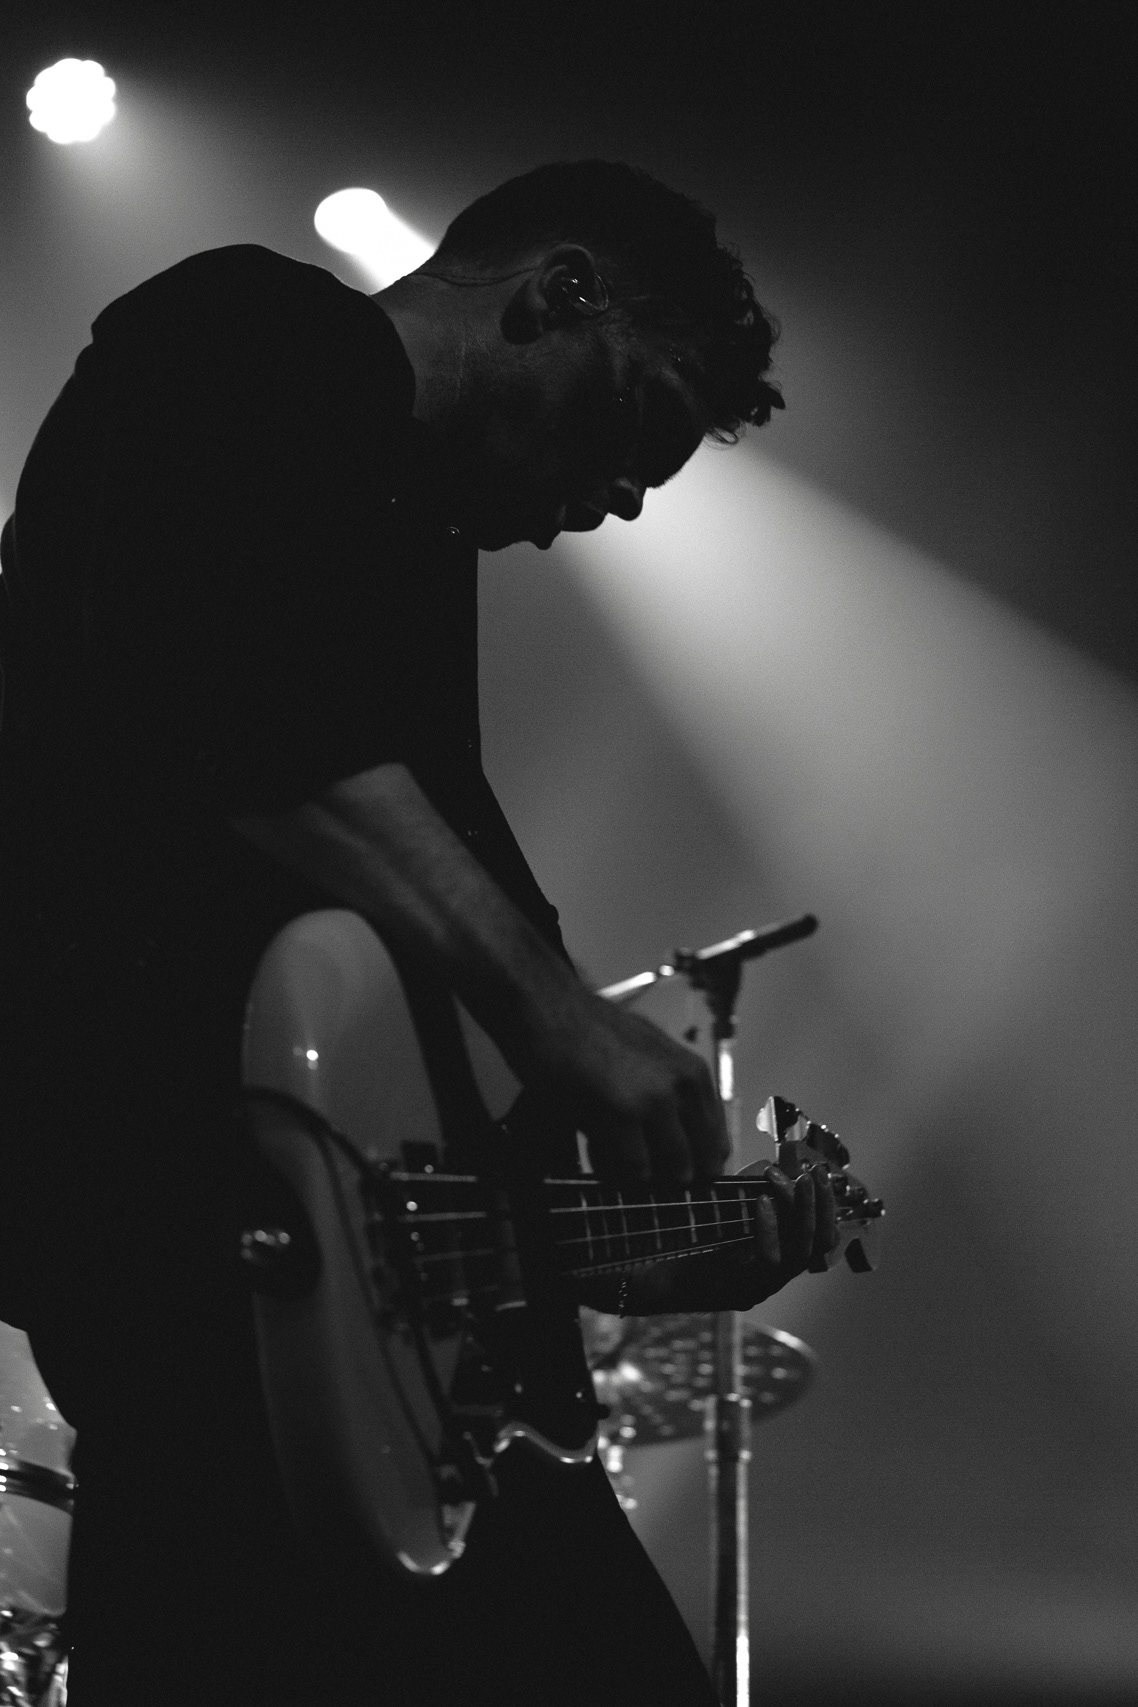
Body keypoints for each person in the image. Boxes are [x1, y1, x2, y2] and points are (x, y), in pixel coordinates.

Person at [0, 159, 837, 1705]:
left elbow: (393, 1008)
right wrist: (558, 1014)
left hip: (368, 1327)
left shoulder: (408, 535)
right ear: (556, 292)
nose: (623, 496)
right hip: (185, 1227)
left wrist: (621, 1253)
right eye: (637, 418)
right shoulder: (251, 334)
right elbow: (228, 705)